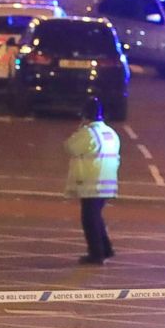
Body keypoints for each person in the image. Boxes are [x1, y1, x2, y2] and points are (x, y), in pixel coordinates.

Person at [64, 97, 121, 265]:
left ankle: (96, 254)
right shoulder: (110, 132)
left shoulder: (89, 133)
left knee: (89, 219)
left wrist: (79, 129)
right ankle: (105, 248)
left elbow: (69, 147)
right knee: (96, 217)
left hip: (91, 183)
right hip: (107, 182)